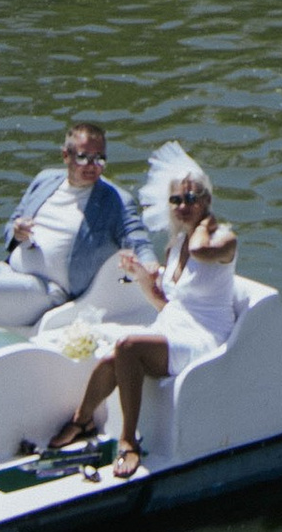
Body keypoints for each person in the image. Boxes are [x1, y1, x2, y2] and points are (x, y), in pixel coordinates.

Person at [46, 164, 239, 481]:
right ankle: (83, 420)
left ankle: (129, 441)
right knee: (112, 360)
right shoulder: (176, 246)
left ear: (206, 200)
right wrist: (141, 279)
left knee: (129, 347)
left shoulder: (222, 240)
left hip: (204, 337)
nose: (182, 207)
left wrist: (205, 223)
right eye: (175, 200)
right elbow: (167, 304)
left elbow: (201, 249)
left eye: (190, 198)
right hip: (174, 327)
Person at [0, 118, 144, 335]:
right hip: (11, 272)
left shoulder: (114, 199)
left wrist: (149, 263)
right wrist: (17, 232)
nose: (92, 166)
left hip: (48, 290)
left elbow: (136, 237)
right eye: (84, 157)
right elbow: (12, 223)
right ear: (66, 156)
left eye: (99, 159)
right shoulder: (45, 180)